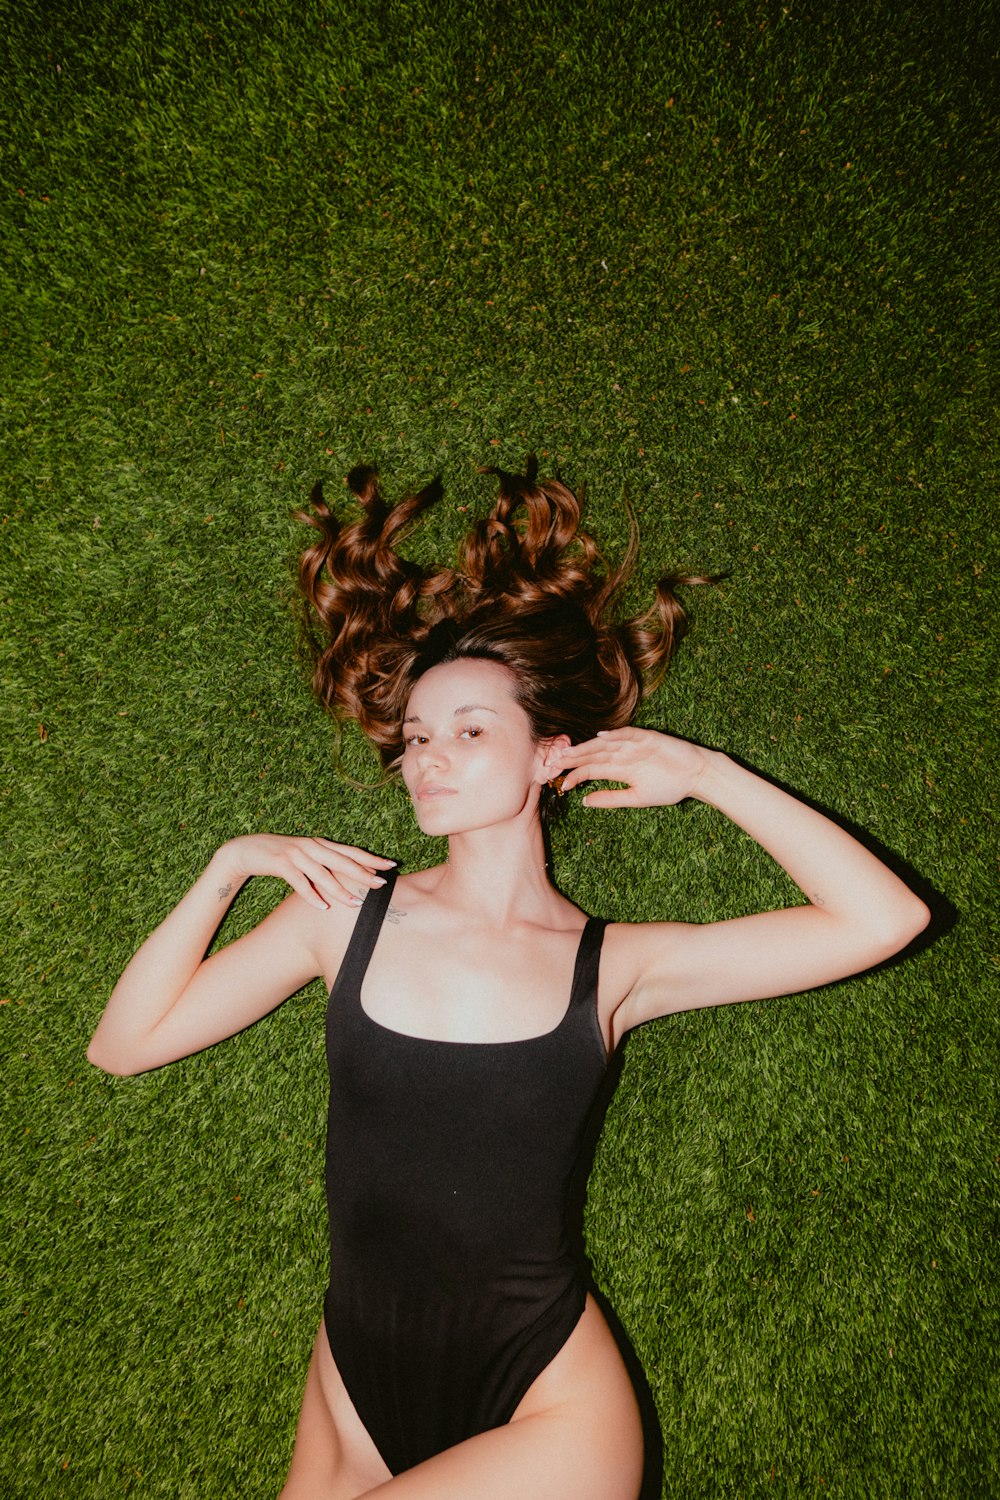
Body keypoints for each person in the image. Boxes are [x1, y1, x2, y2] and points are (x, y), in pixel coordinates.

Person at [87, 460, 930, 1500]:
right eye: (418, 737)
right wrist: (224, 870)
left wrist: (706, 774)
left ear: (547, 757)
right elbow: (123, 1047)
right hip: (354, 1373)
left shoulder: (614, 968)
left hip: (547, 1399)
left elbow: (885, 920)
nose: (429, 758)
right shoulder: (339, 910)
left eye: (471, 731)